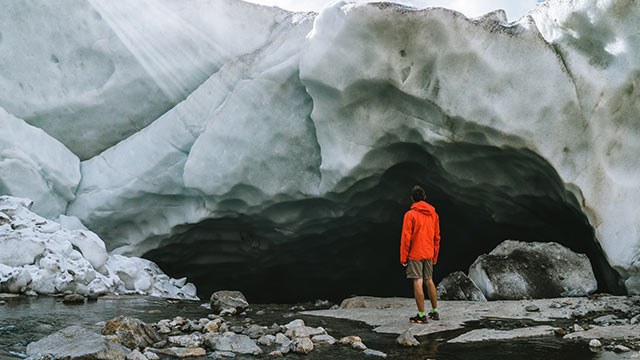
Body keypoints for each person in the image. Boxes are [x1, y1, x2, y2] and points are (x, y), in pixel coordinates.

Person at [400, 185, 441, 323]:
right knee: (429, 280)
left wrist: (403, 257)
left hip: (415, 253)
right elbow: (437, 237)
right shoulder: (434, 215)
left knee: (418, 281)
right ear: (425, 198)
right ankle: (435, 312)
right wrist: (435, 255)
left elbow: (406, 238)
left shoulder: (410, 215)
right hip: (429, 252)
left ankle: (421, 315)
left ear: (412, 199)